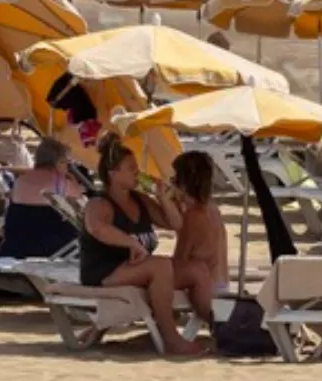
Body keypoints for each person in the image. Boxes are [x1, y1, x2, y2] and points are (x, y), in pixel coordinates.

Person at [77, 138, 202, 355]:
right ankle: (171, 337)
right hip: (105, 271)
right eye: (131, 168)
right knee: (160, 267)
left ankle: (215, 325)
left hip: (137, 268)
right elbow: (98, 228)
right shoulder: (99, 203)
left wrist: (163, 198)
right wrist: (131, 243)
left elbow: (176, 224)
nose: (137, 171)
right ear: (113, 173)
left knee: (195, 270)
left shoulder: (140, 200)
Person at [0, 138, 83, 260]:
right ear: (60, 161)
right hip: (50, 250)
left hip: (15, 249)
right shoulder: (63, 183)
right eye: (68, 163)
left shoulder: (20, 181)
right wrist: (75, 185)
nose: (68, 167)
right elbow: (81, 214)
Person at [168, 150, 228, 312]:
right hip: (221, 284)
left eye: (173, 180)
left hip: (206, 290)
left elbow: (180, 259)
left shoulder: (193, 216)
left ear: (183, 184)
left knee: (155, 274)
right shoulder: (212, 209)